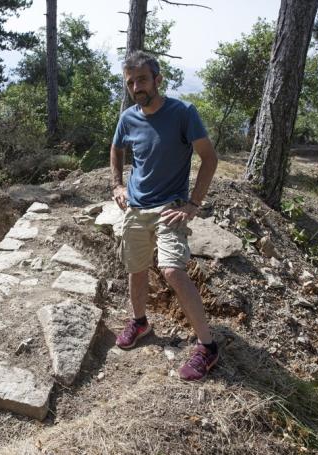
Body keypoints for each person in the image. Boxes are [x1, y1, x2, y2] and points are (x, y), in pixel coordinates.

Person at [110, 50, 219, 381]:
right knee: (136, 267)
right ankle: (140, 322)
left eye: (142, 79)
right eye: (130, 82)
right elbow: (116, 149)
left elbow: (209, 158)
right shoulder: (129, 117)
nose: (136, 87)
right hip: (136, 207)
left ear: (158, 79)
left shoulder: (183, 113)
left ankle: (208, 346)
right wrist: (117, 185)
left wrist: (193, 205)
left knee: (172, 270)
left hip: (170, 207)